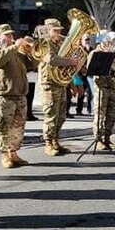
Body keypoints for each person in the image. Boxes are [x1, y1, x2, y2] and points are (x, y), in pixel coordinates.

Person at [0, 23, 31, 169]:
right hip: (4, 95)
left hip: (19, 93)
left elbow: (33, 64)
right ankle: (4, 155)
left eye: (11, 34)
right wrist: (14, 46)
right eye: (7, 35)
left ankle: (13, 152)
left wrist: (30, 50)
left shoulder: (17, 52)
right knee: (4, 126)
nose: (10, 37)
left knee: (18, 126)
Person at [38, 17, 81, 156]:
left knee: (61, 115)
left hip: (60, 83)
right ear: (48, 30)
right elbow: (52, 59)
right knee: (51, 114)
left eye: (59, 30)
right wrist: (70, 61)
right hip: (49, 83)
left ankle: (56, 140)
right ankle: (48, 143)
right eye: (55, 31)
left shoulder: (59, 43)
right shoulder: (44, 43)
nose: (58, 33)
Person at [89, 32, 115, 150]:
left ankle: (107, 138)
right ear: (103, 41)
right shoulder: (95, 53)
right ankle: (98, 139)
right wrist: (105, 58)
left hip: (113, 87)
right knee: (100, 114)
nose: (113, 43)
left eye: (113, 41)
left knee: (111, 114)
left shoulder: (114, 54)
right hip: (101, 87)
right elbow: (91, 69)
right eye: (111, 40)